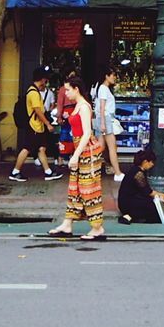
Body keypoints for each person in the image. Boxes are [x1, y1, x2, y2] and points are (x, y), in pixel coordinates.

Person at [47, 77, 106, 241]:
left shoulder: (84, 107)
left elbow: (87, 133)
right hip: (81, 149)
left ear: (76, 89)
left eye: (68, 89)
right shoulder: (79, 106)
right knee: (75, 188)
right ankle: (67, 223)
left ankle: (97, 227)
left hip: (87, 151)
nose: (66, 93)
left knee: (88, 188)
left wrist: (76, 154)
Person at [10, 69, 61, 182]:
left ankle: (48, 172)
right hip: (34, 126)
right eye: (45, 80)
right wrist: (47, 123)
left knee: (41, 148)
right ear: (42, 79)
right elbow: (38, 111)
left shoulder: (34, 91)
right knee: (27, 148)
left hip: (37, 126)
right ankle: (15, 171)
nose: (46, 83)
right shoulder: (33, 93)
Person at [116, 147, 164, 225]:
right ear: (145, 162)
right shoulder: (138, 173)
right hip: (129, 203)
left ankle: (130, 216)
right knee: (154, 209)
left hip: (129, 201)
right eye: (151, 162)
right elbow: (148, 192)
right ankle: (132, 216)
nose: (152, 164)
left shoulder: (136, 170)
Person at [91, 67, 125, 181]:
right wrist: (103, 123)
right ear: (106, 76)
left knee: (100, 147)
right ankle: (118, 173)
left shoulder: (101, 88)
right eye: (113, 75)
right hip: (105, 118)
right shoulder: (103, 89)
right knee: (112, 147)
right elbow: (102, 106)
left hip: (103, 118)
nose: (114, 77)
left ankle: (92, 169)